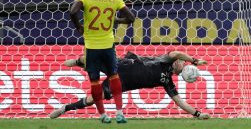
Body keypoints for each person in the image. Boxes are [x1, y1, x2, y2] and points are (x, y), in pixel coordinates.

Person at [49, 51, 210, 120]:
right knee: (91, 59)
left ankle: (65, 109)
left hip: (122, 83)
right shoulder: (165, 59)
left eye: (183, 63)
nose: (182, 62)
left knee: (93, 99)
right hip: (124, 65)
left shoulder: (167, 82)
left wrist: (197, 114)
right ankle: (79, 62)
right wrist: (194, 60)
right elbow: (176, 53)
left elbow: (180, 102)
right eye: (182, 61)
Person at [69, 0, 135, 124]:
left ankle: (103, 115)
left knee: (95, 81)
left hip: (92, 47)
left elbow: (72, 11)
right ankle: (120, 113)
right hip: (108, 46)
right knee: (114, 76)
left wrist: (79, 26)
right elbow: (131, 18)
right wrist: (116, 21)